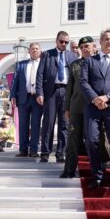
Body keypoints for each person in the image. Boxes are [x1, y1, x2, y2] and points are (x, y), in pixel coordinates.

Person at [80, 28, 110, 196]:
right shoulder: (88, 61)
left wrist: (107, 97)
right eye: (106, 39)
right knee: (92, 141)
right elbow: (84, 82)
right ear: (100, 42)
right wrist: (96, 99)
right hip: (93, 108)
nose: (109, 42)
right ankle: (97, 176)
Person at [36, 31, 78, 162]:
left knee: (64, 124)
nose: (64, 44)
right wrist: (39, 93)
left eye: (66, 42)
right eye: (61, 41)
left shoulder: (72, 56)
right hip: (51, 92)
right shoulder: (47, 54)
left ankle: (60, 153)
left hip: (67, 92)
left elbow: (77, 77)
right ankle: (45, 152)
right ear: (56, 41)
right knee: (48, 123)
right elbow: (40, 75)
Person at [61, 36, 95, 178]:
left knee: (94, 138)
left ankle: (97, 170)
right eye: (82, 47)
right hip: (76, 106)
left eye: (87, 46)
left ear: (94, 47)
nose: (85, 49)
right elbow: (69, 87)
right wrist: (67, 107)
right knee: (73, 138)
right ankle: (69, 169)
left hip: (94, 106)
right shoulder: (75, 64)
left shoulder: (99, 62)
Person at [10, 42, 43, 157]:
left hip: (38, 99)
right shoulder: (21, 64)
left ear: (40, 51)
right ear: (29, 51)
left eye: (37, 49)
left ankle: (33, 150)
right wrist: (12, 96)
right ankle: (23, 150)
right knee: (23, 124)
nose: (34, 51)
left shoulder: (43, 64)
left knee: (35, 124)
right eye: (32, 49)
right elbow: (14, 82)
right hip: (23, 98)